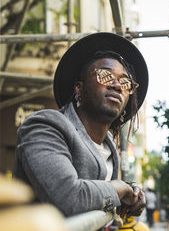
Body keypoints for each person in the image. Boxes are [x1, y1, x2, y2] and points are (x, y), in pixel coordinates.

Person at [13, 32, 149, 218]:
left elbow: (99, 192)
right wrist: (117, 189)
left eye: (125, 82)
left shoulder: (109, 148)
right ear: (79, 88)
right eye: (105, 76)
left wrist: (131, 192)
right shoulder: (44, 126)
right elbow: (68, 198)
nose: (117, 86)